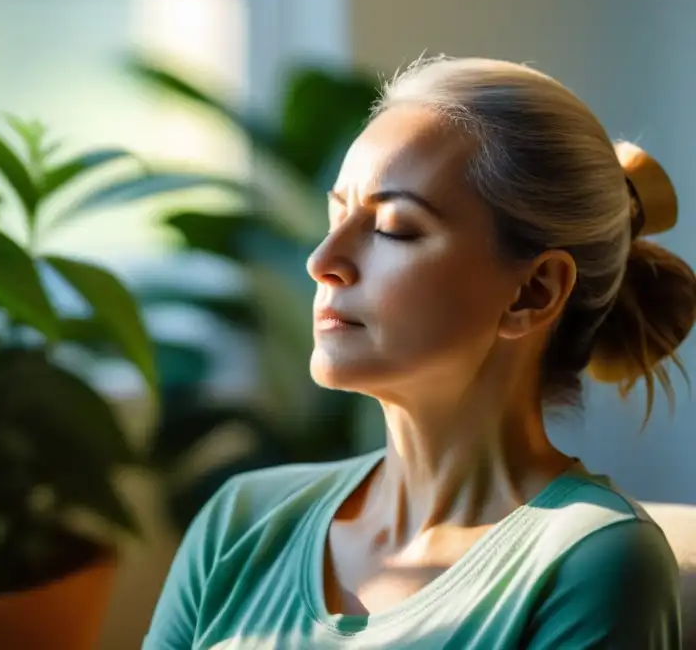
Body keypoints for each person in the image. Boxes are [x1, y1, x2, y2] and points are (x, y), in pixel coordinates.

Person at [143, 56, 693, 649]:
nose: (323, 260)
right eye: (337, 213)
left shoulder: (594, 562)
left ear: (533, 292)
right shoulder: (239, 522)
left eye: (394, 229)